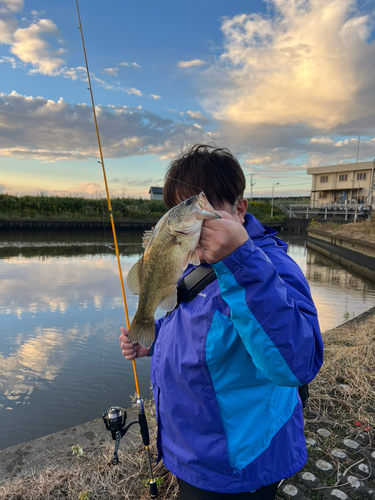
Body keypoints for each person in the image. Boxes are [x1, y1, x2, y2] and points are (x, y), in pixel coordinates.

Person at [119, 144, 323, 500]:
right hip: (191, 456)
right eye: (179, 209)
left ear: (239, 209)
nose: (192, 220)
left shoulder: (271, 267)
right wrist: (152, 341)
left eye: (203, 205)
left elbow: (299, 363)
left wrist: (241, 260)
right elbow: (201, 328)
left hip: (237, 466)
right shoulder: (196, 264)